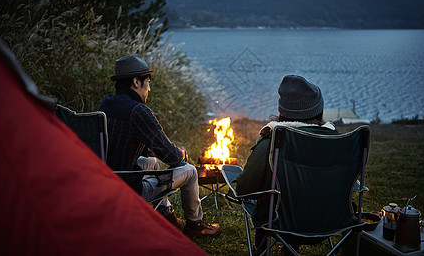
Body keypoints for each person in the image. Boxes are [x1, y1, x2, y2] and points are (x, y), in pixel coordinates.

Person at [99, 54, 221, 238]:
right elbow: (171, 157)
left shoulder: (107, 103)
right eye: (148, 82)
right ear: (136, 82)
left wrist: (150, 149)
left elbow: (120, 140)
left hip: (106, 181)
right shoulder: (138, 110)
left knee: (150, 161)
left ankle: (166, 216)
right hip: (127, 189)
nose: (149, 88)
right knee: (189, 171)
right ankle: (195, 224)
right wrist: (181, 153)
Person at [235, 75, 339, 253]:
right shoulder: (337, 141)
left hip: (279, 223)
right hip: (331, 219)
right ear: (318, 110)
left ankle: (263, 250)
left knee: (269, 201)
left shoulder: (271, 143)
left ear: (282, 111)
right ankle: (290, 249)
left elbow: (245, 189)